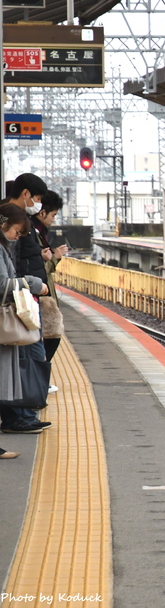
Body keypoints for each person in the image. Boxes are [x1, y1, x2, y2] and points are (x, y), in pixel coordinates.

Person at [0, 174, 52, 434]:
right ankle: (19, 414)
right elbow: (3, 282)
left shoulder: (8, 238)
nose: (17, 237)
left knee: (22, 360)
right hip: (13, 308)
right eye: (16, 232)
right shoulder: (3, 242)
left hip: (18, 305)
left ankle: (22, 412)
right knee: (21, 360)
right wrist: (30, 283)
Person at [29, 191, 67, 369]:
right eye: (53, 215)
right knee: (47, 340)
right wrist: (54, 258)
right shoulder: (30, 233)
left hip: (40, 294)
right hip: (38, 295)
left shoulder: (36, 232)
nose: (53, 220)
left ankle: (38, 379)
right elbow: (34, 267)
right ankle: (38, 380)